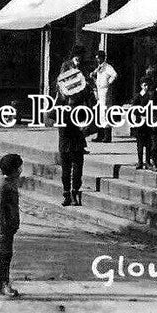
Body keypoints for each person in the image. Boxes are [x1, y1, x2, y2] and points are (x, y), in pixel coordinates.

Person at [55, 51, 90, 203]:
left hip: (68, 136)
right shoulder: (79, 95)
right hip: (72, 135)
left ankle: (69, 194)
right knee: (74, 167)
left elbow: (52, 114)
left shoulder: (64, 97)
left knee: (69, 168)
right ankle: (71, 193)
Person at [0, 153, 23, 298]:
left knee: (4, 253)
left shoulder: (8, 182)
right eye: (19, 167)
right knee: (6, 254)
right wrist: (0, 229)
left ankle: (0, 281)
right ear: (14, 169)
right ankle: (4, 283)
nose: (20, 170)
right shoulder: (3, 186)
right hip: (3, 226)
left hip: (7, 225)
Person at [90, 50, 117, 143]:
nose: (98, 60)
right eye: (97, 58)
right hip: (99, 90)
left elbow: (114, 75)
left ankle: (107, 136)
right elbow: (95, 75)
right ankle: (100, 135)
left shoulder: (108, 67)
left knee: (105, 112)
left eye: (99, 58)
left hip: (105, 91)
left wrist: (108, 83)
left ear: (103, 58)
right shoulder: (99, 67)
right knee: (100, 112)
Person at [131, 79, 154, 169]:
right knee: (140, 143)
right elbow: (134, 108)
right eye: (144, 85)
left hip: (148, 122)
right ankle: (140, 162)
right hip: (140, 122)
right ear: (141, 85)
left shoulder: (150, 96)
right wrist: (140, 115)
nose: (146, 87)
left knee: (148, 143)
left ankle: (147, 161)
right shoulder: (138, 96)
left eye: (147, 85)